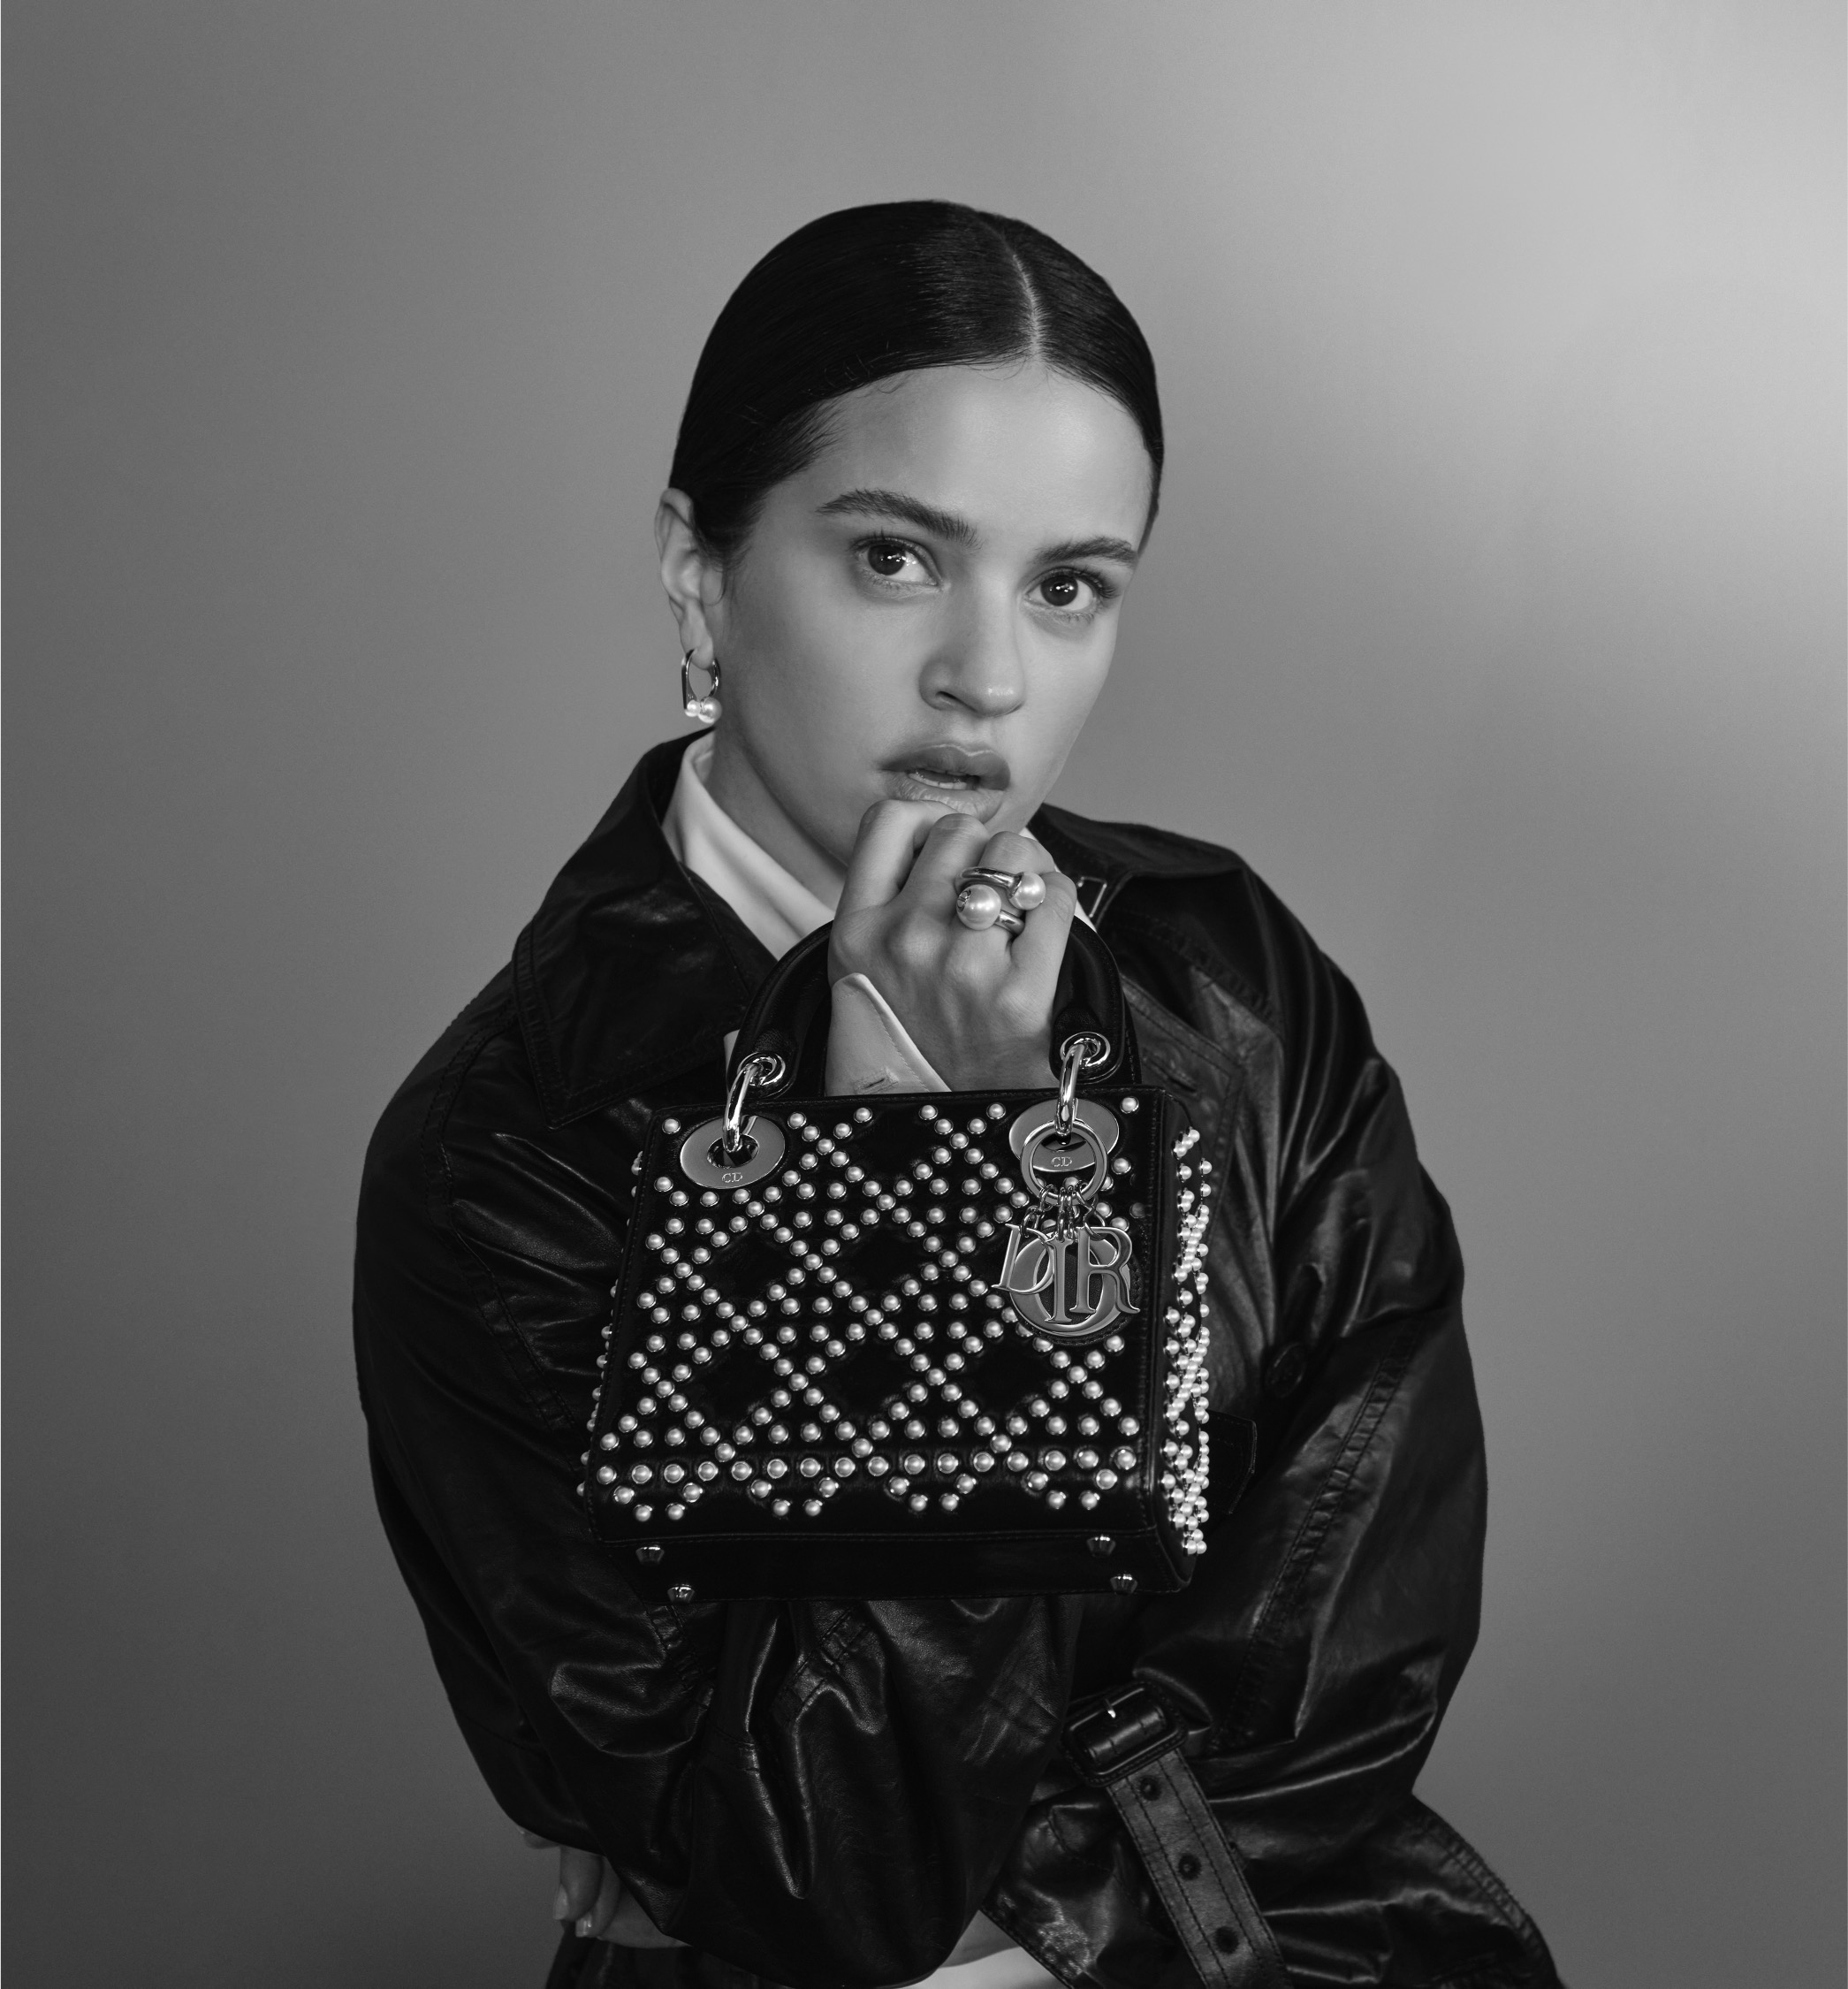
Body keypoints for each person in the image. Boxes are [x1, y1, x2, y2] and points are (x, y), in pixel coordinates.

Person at [354, 201, 1562, 1989]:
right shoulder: (510, 1145)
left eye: (1068, 586)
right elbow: (810, 1869)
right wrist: (936, 1171)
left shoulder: (1226, 980)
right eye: (896, 558)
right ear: (699, 572)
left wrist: (1032, 1904)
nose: (986, 679)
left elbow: (1357, 1645)